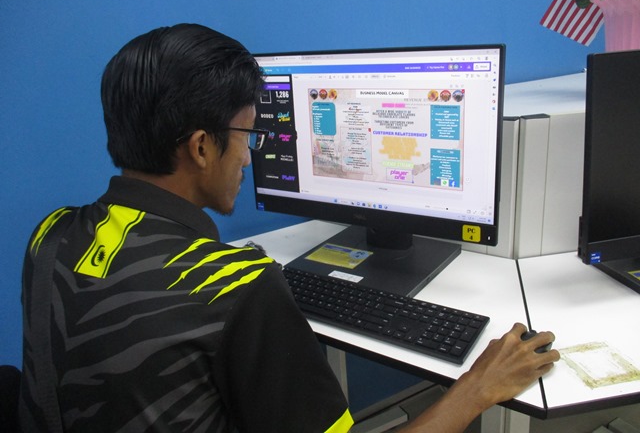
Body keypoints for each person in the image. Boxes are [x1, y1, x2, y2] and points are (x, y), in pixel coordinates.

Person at [20, 23, 560, 433]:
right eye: (248, 136)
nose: (249, 157)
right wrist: (478, 387)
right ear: (202, 147)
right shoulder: (237, 285)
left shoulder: (50, 236)